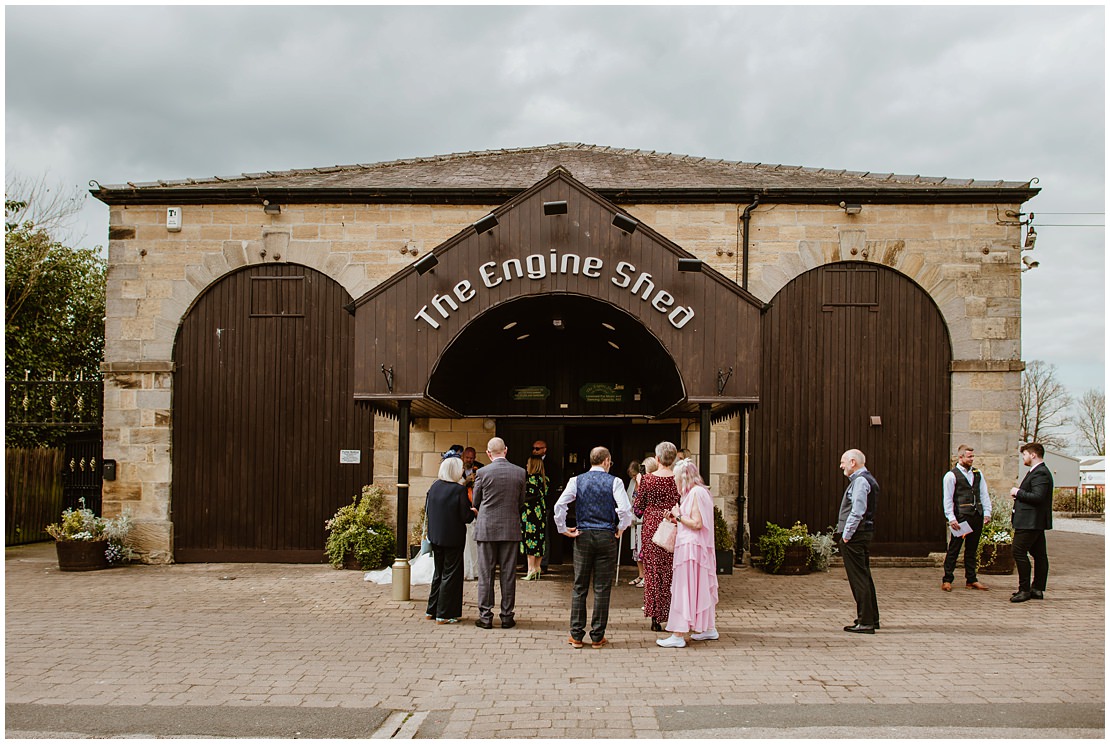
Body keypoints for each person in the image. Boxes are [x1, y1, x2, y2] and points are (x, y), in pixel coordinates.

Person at [554, 446, 633, 649]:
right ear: (606, 460)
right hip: (606, 535)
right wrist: (621, 528)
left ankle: (576, 635)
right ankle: (598, 636)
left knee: (579, 586)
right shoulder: (615, 481)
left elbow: (559, 505)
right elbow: (625, 510)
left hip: (584, 535)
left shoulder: (576, 480)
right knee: (602, 588)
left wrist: (562, 528)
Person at [656, 458, 720, 648]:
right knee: (698, 588)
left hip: (690, 550)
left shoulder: (695, 494)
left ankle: (678, 634)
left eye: (676, 478)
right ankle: (708, 628)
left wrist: (678, 516)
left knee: (685, 589)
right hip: (695, 548)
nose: (674, 482)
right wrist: (677, 519)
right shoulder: (700, 492)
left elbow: (697, 524)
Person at [471, 437, 527, 629]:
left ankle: (485, 617)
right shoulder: (520, 472)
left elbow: (476, 501)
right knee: (508, 574)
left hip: (487, 528)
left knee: (486, 574)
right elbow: (521, 501)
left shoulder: (483, 473)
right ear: (506, 450)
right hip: (510, 528)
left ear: (488, 453)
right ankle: (506, 616)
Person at [634, 441, 681, 632]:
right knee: (672, 571)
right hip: (673, 525)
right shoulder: (678, 479)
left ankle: (655, 617)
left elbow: (638, 508)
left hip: (652, 527)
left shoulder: (647, 479)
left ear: (658, 458)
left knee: (653, 572)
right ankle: (673, 614)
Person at [424, 455, 476, 624]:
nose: (462, 471)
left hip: (436, 536)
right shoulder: (458, 490)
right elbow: (465, 516)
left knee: (438, 573)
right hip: (453, 537)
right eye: (460, 468)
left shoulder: (434, 487)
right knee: (450, 575)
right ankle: (444, 614)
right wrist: (473, 512)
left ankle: (431, 609)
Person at [836, 449, 880, 634]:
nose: (841, 466)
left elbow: (857, 511)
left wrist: (846, 534)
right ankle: (872, 618)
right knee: (865, 575)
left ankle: (866, 621)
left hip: (856, 535)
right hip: (863, 533)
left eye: (843, 462)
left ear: (852, 462)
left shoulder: (861, 481)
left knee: (858, 578)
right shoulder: (868, 479)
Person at [941, 444, 992, 591]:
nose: (972, 459)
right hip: (961, 517)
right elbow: (948, 499)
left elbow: (983, 494)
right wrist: (951, 518)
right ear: (961, 457)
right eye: (969, 456)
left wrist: (987, 512)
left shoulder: (977, 473)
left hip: (976, 515)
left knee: (972, 549)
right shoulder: (951, 475)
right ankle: (947, 579)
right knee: (954, 549)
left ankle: (971, 579)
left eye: (972, 456)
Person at [1009, 442, 1054, 603]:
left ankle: (1025, 590)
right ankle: (1037, 589)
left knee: (1018, 552)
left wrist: (1018, 492)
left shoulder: (1040, 473)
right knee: (1039, 555)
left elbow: (1038, 497)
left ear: (1033, 455)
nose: (1023, 457)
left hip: (1030, 522)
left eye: (1025, 454)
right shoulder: (1036, 472)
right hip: (1033, 522)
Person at [520, 455, 549, 580]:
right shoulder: (545, 479)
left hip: (530, 514)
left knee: (530, 540)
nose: (526, 466)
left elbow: (527, 497)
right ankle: (537, 567)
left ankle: (531, 569)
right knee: (540, 539)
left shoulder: (530, 480)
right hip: (541, 513)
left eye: (528, 464)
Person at [461, 446, 482, 581]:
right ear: (463, 457)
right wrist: (465, 483)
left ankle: (476, 568)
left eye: (472, 458)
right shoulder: (457, 468)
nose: (470, 460)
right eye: (467, 458)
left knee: (474, 542)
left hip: (475, 506)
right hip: (462, 505)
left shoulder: (480, 468)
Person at [625, 460, 645, 587]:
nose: (633, 477)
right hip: (634, 518)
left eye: (634, 475)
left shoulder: (645, 483)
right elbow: (628, 498)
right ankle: (641, 574)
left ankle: (646, 577)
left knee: (644, 548)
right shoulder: (632, 483)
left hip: (643, 519)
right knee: (636, 548)